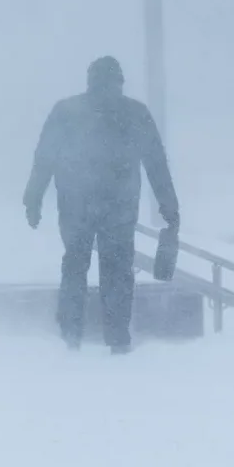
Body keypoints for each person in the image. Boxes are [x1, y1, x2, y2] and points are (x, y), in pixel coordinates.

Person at [23, 56, 179, 354]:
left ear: (89, 81)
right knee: (118, 270)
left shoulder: (66, 111)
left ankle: (71, 336)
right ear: (119, 82)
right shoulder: (135, 113)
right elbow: (157, 164)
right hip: (119, 208)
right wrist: (170, 209)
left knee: (74, 266)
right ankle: (118, 338)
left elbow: (44, 157)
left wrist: (33, 198)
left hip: (75, 205)